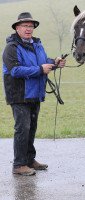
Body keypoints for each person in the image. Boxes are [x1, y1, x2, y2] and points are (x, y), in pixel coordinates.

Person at [2, 12, 66, 176]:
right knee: (22, 129)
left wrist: (55, 63)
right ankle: (19, 165)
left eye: (31, 26)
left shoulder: (37, 45)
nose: (28, 29)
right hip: (19, 95)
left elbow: (43, 62)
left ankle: (29, 160)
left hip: (34, 93)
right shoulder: (11, 47)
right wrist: (39, 70)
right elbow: (15, 70)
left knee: (31, 128)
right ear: (17, 28)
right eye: (25, 26)